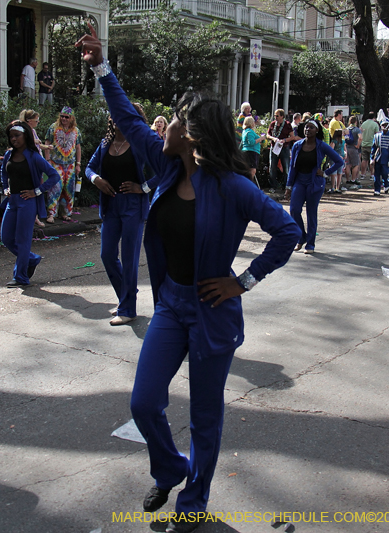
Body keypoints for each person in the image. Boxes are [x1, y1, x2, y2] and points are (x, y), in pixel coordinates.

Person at [76, 26, 300, 533]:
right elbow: (130, 119)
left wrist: (243, 281)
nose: (165, 128)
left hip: (212, 312)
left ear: (192, 134)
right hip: (172, 306)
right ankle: (171, 467)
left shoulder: (235, 187)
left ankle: (194, 500)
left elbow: (288, 231)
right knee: (143, 401)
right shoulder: (166, 166)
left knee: (204, 417)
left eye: (174, 121)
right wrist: (100, 66)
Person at [86, 104, 156, 325]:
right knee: (107, 255)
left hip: (133, 207)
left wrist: (143, 187)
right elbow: (89, 168)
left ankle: (127, 308)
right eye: (116, 114)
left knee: (129, 258)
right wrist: (95, 179)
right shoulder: (106, 144)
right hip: (111, 206)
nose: (118, 118)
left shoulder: (140, 144)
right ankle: (127, 295)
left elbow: (164, 171)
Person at [0, 121, 62, 288]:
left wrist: (37, 191)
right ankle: (32, 259)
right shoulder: (8, 155)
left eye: (17, 135)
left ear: (26, 136)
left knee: (22, 240)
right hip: (12, 202)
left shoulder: (34, 157)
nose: (13, 139)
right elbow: (4, 173)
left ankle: (20, 277)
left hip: (27, 203)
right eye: (11, 136)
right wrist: (5, 188)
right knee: (6, 237)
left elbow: (54, 176)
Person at [284, 119, 344, 254]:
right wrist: (288, 187)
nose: (307, 129)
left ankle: (310, 244)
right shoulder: (297, 145)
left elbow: (339, 161)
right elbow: (292, 168)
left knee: (311, 213)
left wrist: (325, 173)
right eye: (306, 127)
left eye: (311, 127)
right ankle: (302, 237)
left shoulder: (321, 146)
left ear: (317, 131)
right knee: (294, 210)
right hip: (299, 181)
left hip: (315, 183)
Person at [44, 106, 82, 223]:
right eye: (62, 116)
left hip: (70, 163)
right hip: (56, 162)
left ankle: (65, 213)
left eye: (66, 117)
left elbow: (78, 147)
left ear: (71, 118)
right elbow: (47, 143)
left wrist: (78, 164)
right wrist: (48, 160)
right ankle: (51, 214)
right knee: (55, 187)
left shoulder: (76, 130)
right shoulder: (53, 128)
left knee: (69, 188)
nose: (64, 119)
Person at [265, 109, 298, 190]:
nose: (275, 117)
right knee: (272, 166)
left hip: (284, 148)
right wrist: (273, 138)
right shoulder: (273, 124)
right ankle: (273, 186)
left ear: (282, 116)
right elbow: (267, 135)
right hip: (274, 147)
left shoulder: (287, 124)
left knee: (286, 168)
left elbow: (292, 137)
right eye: (275, 115)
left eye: (277, 115)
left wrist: (285, 140)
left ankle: (286, 186)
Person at [370, 117, 389, 196]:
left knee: (385, 174)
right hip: (378, 158)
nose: (384, 126)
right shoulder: (377, 136)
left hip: (386, 158)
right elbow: (373, 147)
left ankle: (386, 184)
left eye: (385, 125)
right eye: (383, 125)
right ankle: (377, 189)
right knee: (376, 174)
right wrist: (371, 157)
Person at [240, 116, 264, 185]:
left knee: (249, 169)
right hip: (251, 152)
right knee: (252, 170)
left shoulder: (245, 131)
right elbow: (251, 142)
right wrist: (261, 139)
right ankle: (249, 184)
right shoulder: (249, 132)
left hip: (248, 152)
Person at [360, 112, 379, 178]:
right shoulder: (375, 124)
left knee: (364, 160)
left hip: (364, 144)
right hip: (372, 144)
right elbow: (377, 134)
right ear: (374, 117)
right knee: (372, 159)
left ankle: (362, 174)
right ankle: (372, 174)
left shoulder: (363, 124)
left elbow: (360, 133)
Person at [345, 116, 362, 185]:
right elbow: (360, 138)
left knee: (347, 164)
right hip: (354, 148)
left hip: (347, 148)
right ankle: (353, 179)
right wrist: (358, 145)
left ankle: (347, 179)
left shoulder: (346, 129)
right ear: (356, 122)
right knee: (355, 164)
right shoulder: (357, 129)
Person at [328, 129, 346, 193]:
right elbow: (331, 150)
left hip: (339, 159)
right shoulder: (334, 141)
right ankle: (334, 187)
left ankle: (336, 187)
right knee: (335, 173)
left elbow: (344, 149)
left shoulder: (342, 141)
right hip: (336, 159)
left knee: (339, 173)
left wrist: (345, 155)